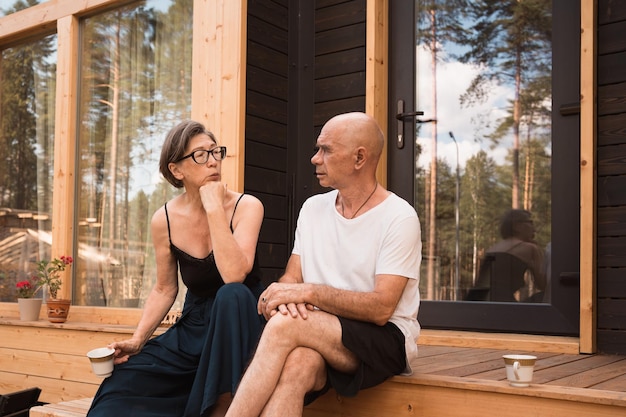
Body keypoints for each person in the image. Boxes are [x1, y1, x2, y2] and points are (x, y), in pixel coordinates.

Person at [224, 112, 422, 417]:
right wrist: (283, 296)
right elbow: (293, 275)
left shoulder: (399, 217)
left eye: (326, 150)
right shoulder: (313, 208)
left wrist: (307, 295)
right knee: (298, 365)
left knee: (284, 326)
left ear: (359, 158)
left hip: (383, 340)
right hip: (318, 330)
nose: (315, 159)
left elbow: (382, 309)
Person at [87, 120, 265, 417]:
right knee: (121, 386)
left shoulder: (247, 206)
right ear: (176, 170)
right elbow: (165, 288)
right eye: (200, 155)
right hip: (194, 329)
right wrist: (137, 340)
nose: (212, 161)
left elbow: (234, 275)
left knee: (231, 293)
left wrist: (213, 209)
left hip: (239, 323)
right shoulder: (164, 219)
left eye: (215, 152)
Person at [468, 209, 546, 302]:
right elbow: (543, 285)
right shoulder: (530, 248)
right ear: (517, 226)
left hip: (476, 302)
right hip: (503, 304)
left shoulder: (494, 248)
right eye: (530, 222)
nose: (534, 229)